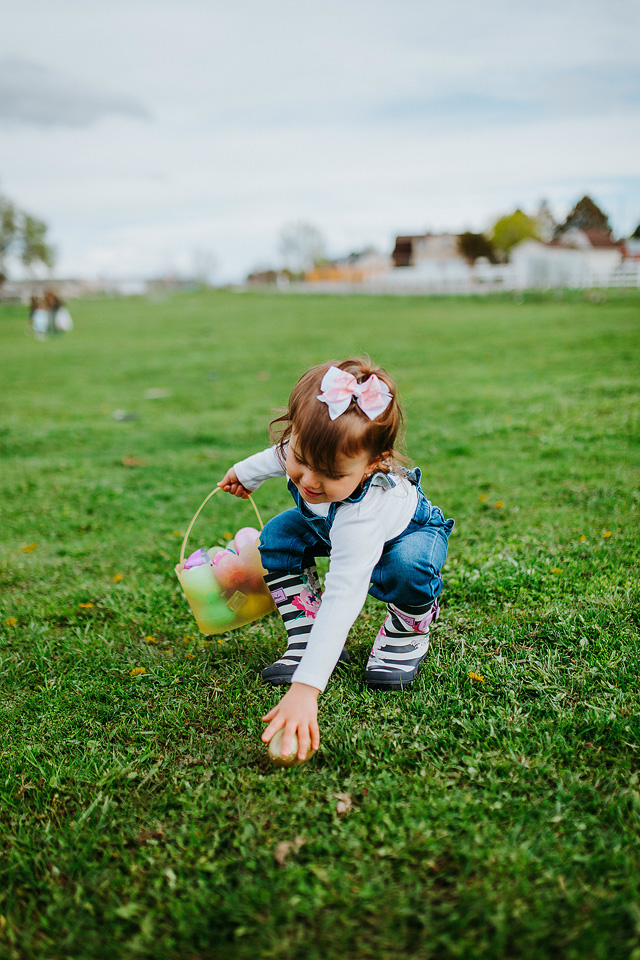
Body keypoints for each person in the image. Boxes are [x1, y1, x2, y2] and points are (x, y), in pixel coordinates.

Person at [218, 357, 454, 760]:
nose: (309, 481)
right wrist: (245, 473)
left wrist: (306, 689)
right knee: (278, 537)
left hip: (408, 534)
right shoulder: (308, 451)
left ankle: (407, 628)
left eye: (329, 474)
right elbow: (279, 455)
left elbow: (345, 597)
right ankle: (306, 633)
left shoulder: (363, 517)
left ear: (373, 465)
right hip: (329, 522)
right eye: (302, 461)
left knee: (406, 569)